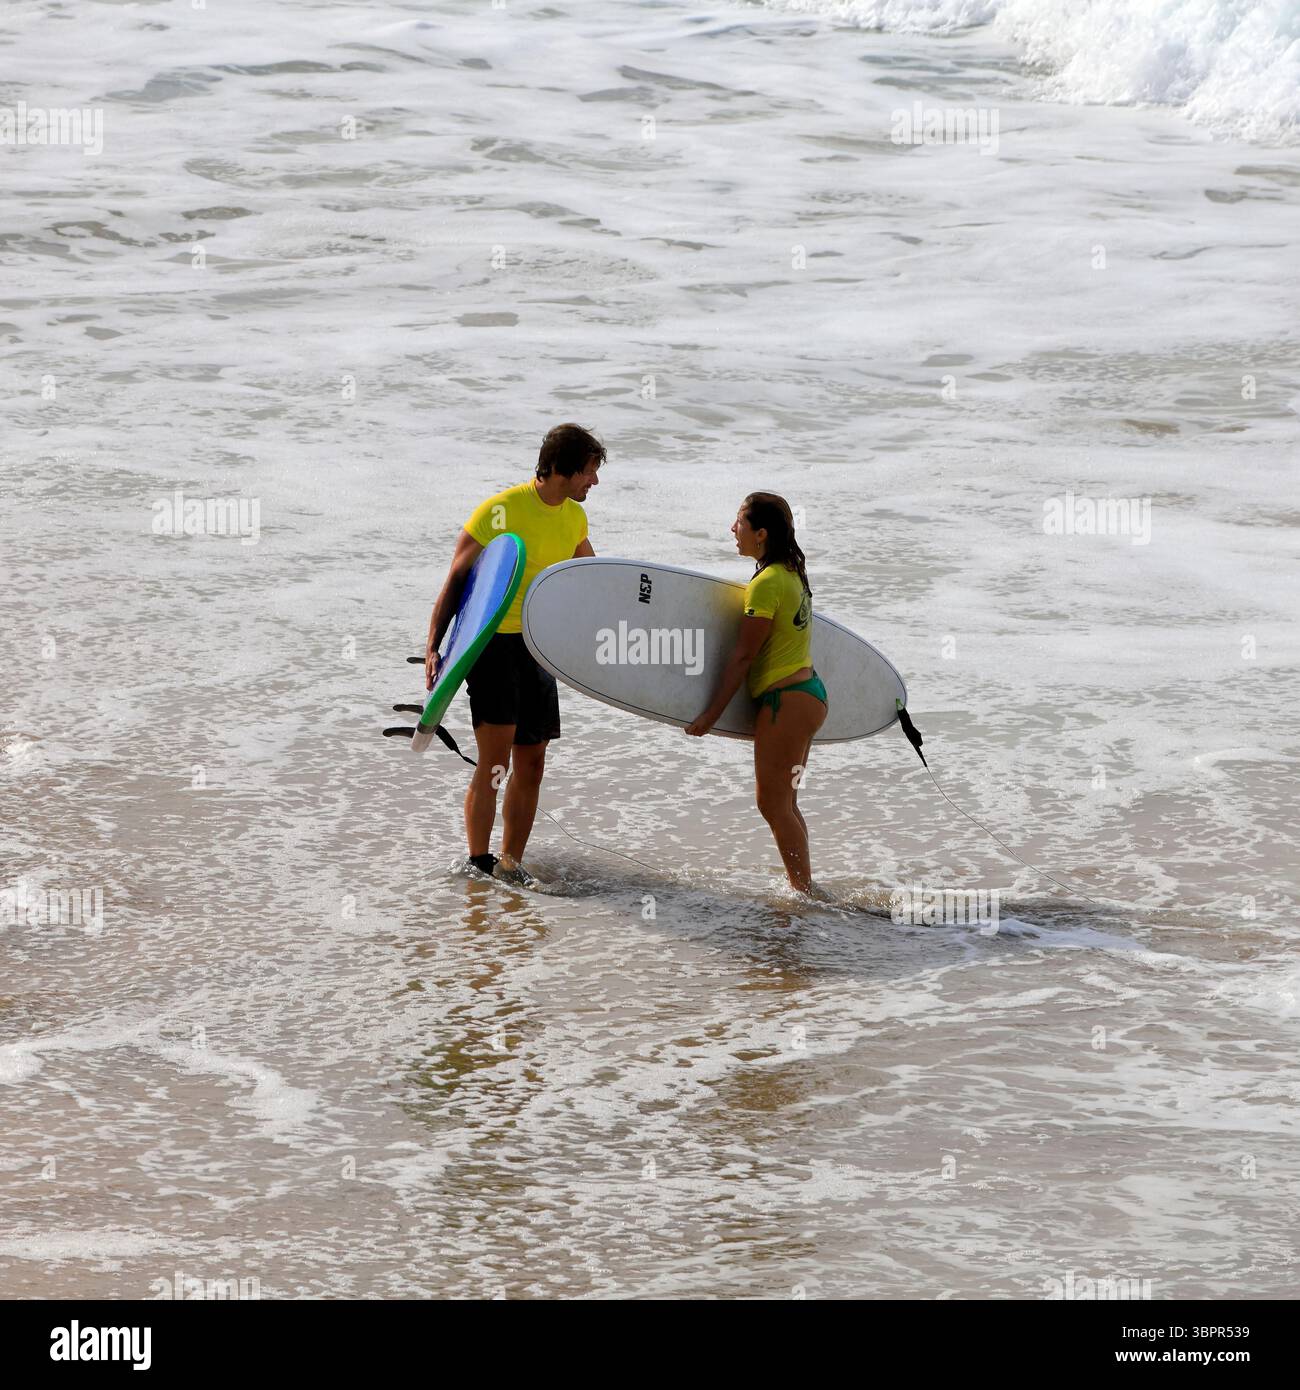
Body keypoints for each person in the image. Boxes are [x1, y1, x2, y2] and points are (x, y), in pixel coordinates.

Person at [426, 424, 603, 886]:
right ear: (563, 468)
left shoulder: (573, 519)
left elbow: (591, 578)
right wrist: (434, 647)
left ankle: (510, 862)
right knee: (496, 759)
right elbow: (458, 581)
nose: (594, 482)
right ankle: (479, 860)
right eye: (589, 472)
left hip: (539, 647)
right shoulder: (499, 511)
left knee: (534, 760)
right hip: (494, 645)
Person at [685, 493, 828, 895]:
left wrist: (710, 715)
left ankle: (804, 894)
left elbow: (744, 656)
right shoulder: (791, 573)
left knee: (773, 804)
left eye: (740, 523)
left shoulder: (766, 583)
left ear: (761, 534)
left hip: (787, 703)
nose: (733, 530)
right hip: (807, 696)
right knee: (786, 804)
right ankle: (806, 890)